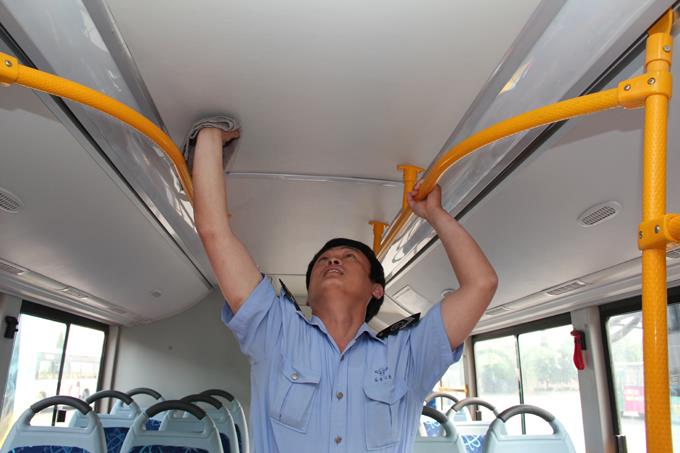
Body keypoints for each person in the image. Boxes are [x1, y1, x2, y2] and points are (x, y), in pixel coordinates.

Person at [192, 127, 498, 453]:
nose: (333, 260)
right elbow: (214, 232)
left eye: (349, 257)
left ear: (376, 290)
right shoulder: (276, 332)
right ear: (309, 293)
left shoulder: (407, 355)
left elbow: (481, 284)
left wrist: (434, 214)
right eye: (323, 260)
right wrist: (210, 136)